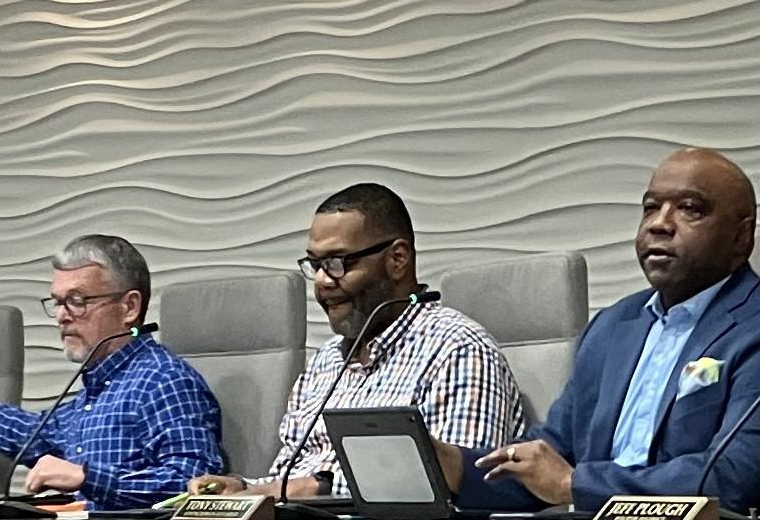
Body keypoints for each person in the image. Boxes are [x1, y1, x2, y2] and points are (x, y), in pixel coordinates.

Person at [469, 148, 760, 514]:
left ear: (741, 237)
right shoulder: (612, 326)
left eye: (689, 208)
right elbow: (553, 456)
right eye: (650, 207)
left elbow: (735, 476)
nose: (660, 223)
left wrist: (574, 485)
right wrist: (452, 468)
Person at [189, 183, 526, 501]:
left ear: (397, 259)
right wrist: (244, 486)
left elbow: (459, 486)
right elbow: (288, 477)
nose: (322, 281)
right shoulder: (326, 361)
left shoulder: (457, 349)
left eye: (337, 263)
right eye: (316, 265)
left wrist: (318, 488)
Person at [0, 234, 226, 512]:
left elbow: (197, 484)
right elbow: (32, 433)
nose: (61, 316)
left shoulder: (163, 380)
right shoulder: (99, 389)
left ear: (129, 307)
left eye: (78, 300)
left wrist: (87, 477)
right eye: (58, 302)